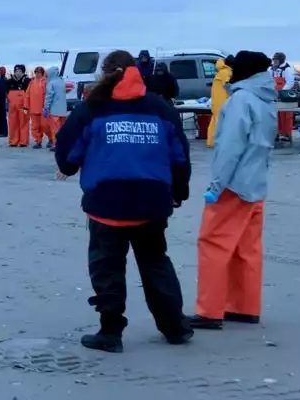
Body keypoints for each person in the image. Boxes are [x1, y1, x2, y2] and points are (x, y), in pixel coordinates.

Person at [53, 49, 194, 353]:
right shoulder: (159, 108)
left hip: (107, 201)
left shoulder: (93, 108)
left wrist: (67, 167)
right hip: (151, 200)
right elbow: (179, 155)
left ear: (104, 73)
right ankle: (174, 327)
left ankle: (110, 331)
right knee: (156, 262)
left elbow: (67, 150)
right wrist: (179, 191)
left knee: (107, 266)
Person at [190, 51, 277, 330]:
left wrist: (216, 186)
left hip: (233, 185)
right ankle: (244, 306)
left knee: (213, 244)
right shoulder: (266, 99)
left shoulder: (240, 99)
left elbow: (230, 147)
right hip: (257, 183)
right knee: (246, 248)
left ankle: (210, 311)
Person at [268, 52, 297, 142]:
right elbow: (268, 80)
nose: (275, 62)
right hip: (273, 93)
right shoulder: (270, 69)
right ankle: (275, 133)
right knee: (274, 115)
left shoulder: (287, 69)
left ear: (281, 60)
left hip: (284, 94)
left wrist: (282, 92)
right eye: (274, 60)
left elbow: (290, 82)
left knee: (285, 115)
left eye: (276, 60)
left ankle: (286, 134)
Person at [206, 56, 233, 147]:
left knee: (215, 121)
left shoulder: (222, 72)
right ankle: (217, 141)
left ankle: (212, 141)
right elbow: (229, 87)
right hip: (223, 101)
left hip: (217, 101)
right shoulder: (226, 73)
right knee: (220, 122)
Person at [6, 64, 30, 148]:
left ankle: (23, 141)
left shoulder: (27, 81)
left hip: (24, 106)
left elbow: (30, 94)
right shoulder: (9, 82)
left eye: (19, 71)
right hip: (12, 106)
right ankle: (13, 141)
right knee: (12, 123)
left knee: (23, 123)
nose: (18, 73)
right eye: (16, 71)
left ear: (23, 72)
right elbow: (5, 93)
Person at [43, 65, 66, 149]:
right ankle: (63, 143)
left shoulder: (51, 83)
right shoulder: (62, 82)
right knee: (62, 128)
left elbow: (49, 96)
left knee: (55, 129)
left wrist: (46, 107)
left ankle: (56, 144)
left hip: (54, 110)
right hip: (63, 110)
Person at [26, 66, 48, 149]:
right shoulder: (31, 83)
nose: (37, 74)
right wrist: (26, 106)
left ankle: (51, 139)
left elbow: (48, 95)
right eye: (36, 72)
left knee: (45, 126)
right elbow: (27, 95)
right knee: (35, 127)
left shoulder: (45, 82)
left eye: (39, 72)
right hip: (33, 108)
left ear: (42, 73)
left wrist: (46, 106)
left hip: (43, 109)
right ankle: (38, 141)